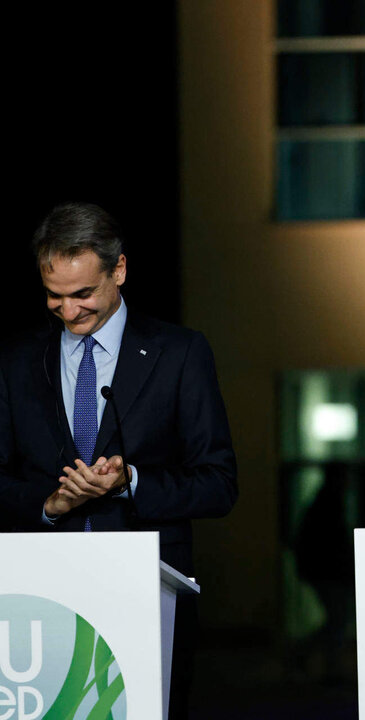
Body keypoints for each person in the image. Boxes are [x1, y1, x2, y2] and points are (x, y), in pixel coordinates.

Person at [0, 201, 238, 717]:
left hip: (146, 595)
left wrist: (131, 481)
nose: (68, 312)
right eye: (54, 297)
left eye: (83, 294)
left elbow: (219, 483)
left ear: (120, 270)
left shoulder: (180, 353)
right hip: (42, 600)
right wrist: (50, 503)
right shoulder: (17, 361)